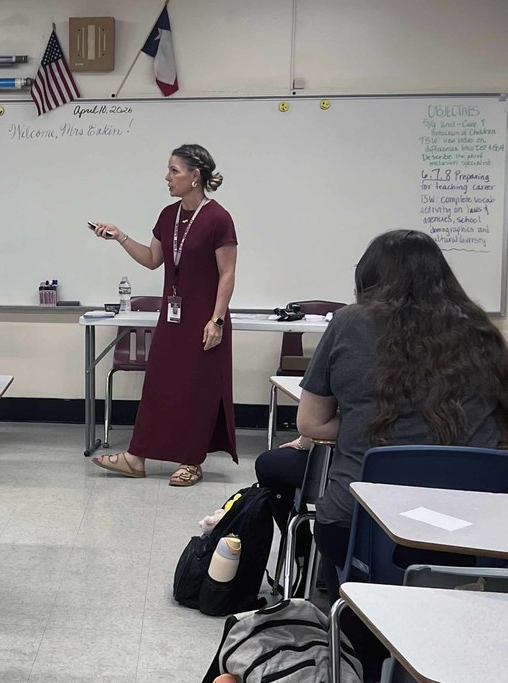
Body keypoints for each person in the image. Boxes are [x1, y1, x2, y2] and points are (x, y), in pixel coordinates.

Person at [283, 229, 508, 598]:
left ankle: (353, 624)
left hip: (361, 525)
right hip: (474, 531)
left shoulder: (349, 323)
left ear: (367, 277)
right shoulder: (482, 329)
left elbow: (311, 423)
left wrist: (365, 420)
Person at [90, 143, 238, 485]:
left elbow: (227, 273)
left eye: (174, 171)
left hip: (205, 319)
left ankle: (192, 460)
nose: (167, 177)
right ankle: (135, 457)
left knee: (196, 388)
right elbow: (153, 259)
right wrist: (120, 237)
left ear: (194, 176)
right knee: (159, 385)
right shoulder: (169, 216)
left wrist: (216, 320)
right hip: (172, 318)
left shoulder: (218, 218)